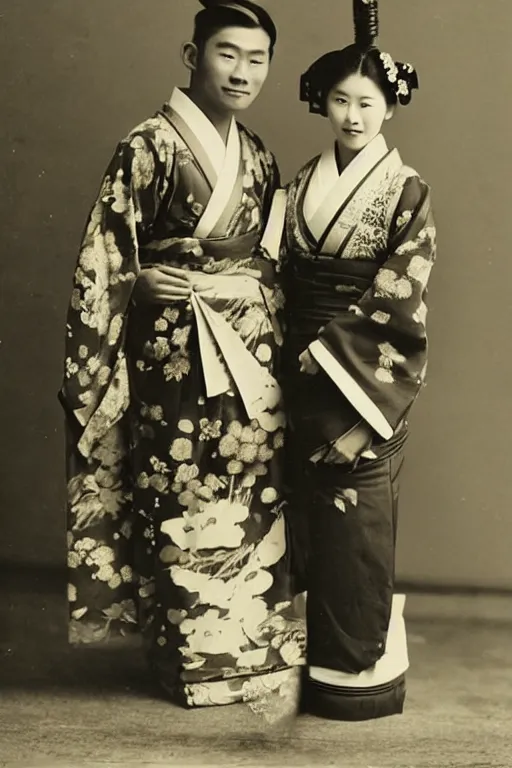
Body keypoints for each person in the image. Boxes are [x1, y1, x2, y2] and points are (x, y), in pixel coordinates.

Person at [59, 0, 305, 722]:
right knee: (183, 486)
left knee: (254, 487)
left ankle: (253, 652)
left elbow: (269, 253)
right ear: (191, 55)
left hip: (250, 347)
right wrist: (135, 282)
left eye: (257, 59)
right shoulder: (149, 145)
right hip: (175, 351)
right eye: (227, 54)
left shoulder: (257, 153)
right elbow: (105, 252)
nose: (242, 72)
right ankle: (191, 659)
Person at [281, 0, 436, 720]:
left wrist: (343, 384)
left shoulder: (405, 192)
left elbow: (399, 297)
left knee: (358, 520)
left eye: (366, 102)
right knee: (301, 516)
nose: (352, 115)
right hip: (294, 368)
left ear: (388, 109)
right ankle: (296, 664)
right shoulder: (300, 182)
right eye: (340, 99)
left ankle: (357, 669)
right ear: (325, 102)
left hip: (358, 376)